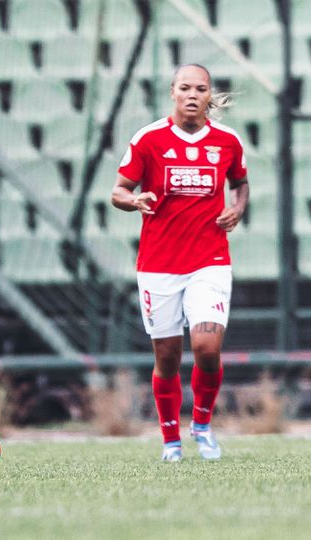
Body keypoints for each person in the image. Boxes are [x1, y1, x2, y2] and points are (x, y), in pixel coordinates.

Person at [111, 64, 249, 462]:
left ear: (209, 95)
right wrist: (134, 200)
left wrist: (237, 208)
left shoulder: (227, 141)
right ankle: (171, 441)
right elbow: (118, 190)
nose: (192, 94)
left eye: (200, 88)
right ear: (172, 92)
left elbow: (240, 182)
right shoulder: (149, 139)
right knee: (167, 358)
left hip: (210, 261)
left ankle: (202, 427)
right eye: (184, 87)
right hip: (158, 265)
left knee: (207, 348)